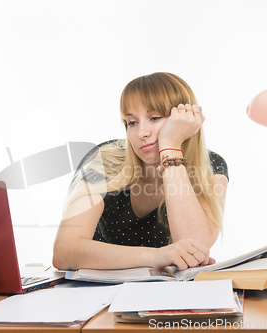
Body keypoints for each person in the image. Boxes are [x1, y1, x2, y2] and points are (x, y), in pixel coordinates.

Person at [52, 72, 228, 271]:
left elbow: (196, 246)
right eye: (132, 122)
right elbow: (64, 251)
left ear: (183, 120)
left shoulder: (211, 165)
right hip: (97, 293)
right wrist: (155, 256)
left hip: (165, 295)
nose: (142, 133)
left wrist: (170, 148)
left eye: (154, 118)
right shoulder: (104, 160)